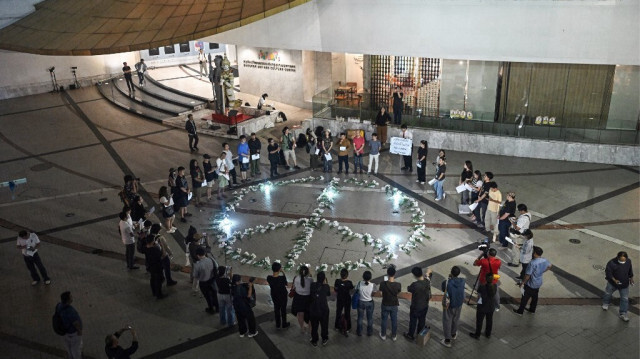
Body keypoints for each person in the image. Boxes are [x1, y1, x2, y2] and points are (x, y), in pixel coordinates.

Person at [514, 246, 552, 315]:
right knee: (535, 297)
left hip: (531, 283)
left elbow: (527, 275)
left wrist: (522, 283)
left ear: (535, 253)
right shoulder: (544, 260)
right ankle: (532, 310)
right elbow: (550, 266)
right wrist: (542, 271)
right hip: (538, 282)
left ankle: (520, 311)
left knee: (525, 298)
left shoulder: (532, 263)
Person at [602, 251, 634, 322]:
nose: (623, 262)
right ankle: (606, 303)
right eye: (621, 260)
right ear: (617, 258)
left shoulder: (628, 261)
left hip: (624, 284)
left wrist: (631, 278)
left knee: (625, 299)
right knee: (608, 293)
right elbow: (608, 273)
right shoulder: (611, 263)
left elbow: (630, 270)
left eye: (624, 260)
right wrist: (614, 280)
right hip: (612, 283)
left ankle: (623, 313)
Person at [404, 267, 431, 341]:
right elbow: (428, 277)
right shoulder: (427, 281)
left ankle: (410, 335)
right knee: (422, 321)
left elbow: (409, 289)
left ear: (414, 275)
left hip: (415, 307)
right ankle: (420, 334)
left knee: (413, 321)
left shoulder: (415, 285)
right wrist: (428, 273)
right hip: (425, 306)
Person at [440, 266, 465, 348]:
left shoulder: (447, 282)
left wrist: (449, 279)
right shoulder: (462, 281)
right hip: (459, 304)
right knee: (456, 319)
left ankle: (447, 340)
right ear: (459, 273)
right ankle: (453, 334)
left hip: (449, 305)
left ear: (451, 272)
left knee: (447, 321)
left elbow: (443, 289)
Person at [56, 291, 82, 359]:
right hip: (73, 333)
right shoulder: (70, 311)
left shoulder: (59, 306)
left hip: (65, 332)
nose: (72, 297)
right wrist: (79, 331)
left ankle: (70, 356)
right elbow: (76, 323)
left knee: (68, 346)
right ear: (68, 300)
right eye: (71, 297)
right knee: (75, 348)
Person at [469, 273, 496, 339]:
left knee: (479, 321)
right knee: (489, 320)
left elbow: (479, 294)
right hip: (491, 306)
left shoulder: (482, 287)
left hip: (482, 306)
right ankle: (488, 334)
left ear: (486, 279)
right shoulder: (495, 286)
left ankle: (477, 334)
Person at [193, 247, 219, 314]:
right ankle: (217, 307)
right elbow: (216, 266)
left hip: (204, 283)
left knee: (207, 296)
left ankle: (211, 308)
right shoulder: (211, 259)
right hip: (212, 280)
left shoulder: (197, 265)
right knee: (214, 294)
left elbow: (195, 275)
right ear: (204, 253)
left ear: (198, 255)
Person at [379, 266, 401, 341]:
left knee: (384, 320)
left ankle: (383, 335)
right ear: (394, 274)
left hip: (385, 304)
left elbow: (381, 294)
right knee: (394, 320)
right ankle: (394, 336)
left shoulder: (382, 284)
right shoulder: (398, 285)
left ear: (387, 274)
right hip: (394, 305)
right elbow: (397, 294)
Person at [310, 271, 331, 347]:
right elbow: (328, 294)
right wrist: (325, 283)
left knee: (314, 326)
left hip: (314, 309)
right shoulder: (326, 286)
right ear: (324, 279)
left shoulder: (312, 285)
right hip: (324, 310)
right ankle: (324, 338)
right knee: (324, 325)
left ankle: (314, 340)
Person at [267, 261, 290, 329]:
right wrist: (283, 272)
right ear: (279, 269)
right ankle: (284, 323)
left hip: (274, 296)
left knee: (276, 309)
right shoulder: (282, 278)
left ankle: (278, 324)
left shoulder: (269, 278)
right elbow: (287, 284)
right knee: (283, 310)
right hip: (283, 296)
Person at [291, 265, 312, 333]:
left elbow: (294, 287)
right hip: (307, 299)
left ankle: (302, 328)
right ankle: (310, 328)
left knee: (300, 314)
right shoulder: (310, 279)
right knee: (309, 315)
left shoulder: (296, 278)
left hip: (298, 298)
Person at [333, 268, 354, 335]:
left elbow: (335, 289)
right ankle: (348, 327)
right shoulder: (349, 283)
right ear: (347, 275)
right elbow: (351, 290)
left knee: (338, 312)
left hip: (340, 299)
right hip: (347, 299)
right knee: (347, 313)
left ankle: (337, 326)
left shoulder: (337, 281)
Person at [356, 270, 376, 337]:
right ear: (370, 278)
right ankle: (369, 332)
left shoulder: (359, 283)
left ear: (363, 277)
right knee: (369, 318)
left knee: (360, 318)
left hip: (361, 302)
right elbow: (373, 294)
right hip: (369, 302)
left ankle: (359, 332)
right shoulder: (373, 285)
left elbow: (357, 292)